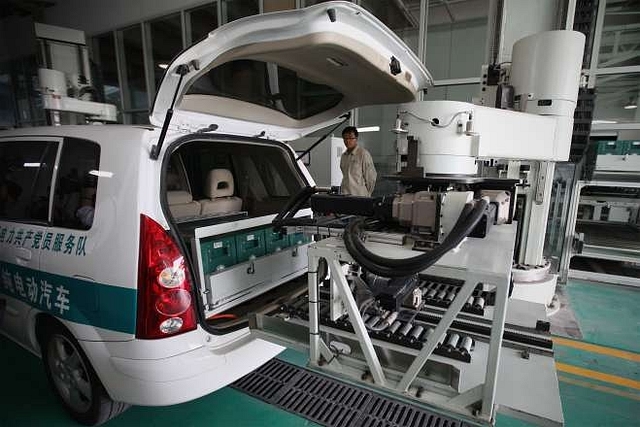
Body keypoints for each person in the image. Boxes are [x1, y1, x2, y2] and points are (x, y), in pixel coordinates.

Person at [339, 126, 377, 196]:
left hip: (359, 196)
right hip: (345, 195)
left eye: (351, 138)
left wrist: (367, 194)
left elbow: (371, 178)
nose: (347, 141)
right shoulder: (344, 156)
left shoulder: (363, 154)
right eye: (345, 138)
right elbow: (345, 175)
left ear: (356, 139)